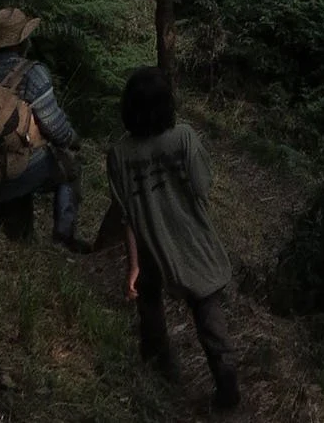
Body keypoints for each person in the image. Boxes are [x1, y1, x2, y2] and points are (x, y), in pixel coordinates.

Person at [93, 65, 241, 412]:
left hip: (149, 242)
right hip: (191, 237)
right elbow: (203, 188)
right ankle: (226, 382)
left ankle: (161, 371)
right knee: (207, 309)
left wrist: (133, 265)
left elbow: (126, 214)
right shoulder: (184, 137)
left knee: (150, 303)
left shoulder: (119, 154)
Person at [0, 6, 84, 246]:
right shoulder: (32, 74)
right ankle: (64, 237)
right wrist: (73, 140)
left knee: (18, 235)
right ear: (23, 41)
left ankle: (4, 222)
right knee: (69, 168)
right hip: (14, 168)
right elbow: (55, 127)